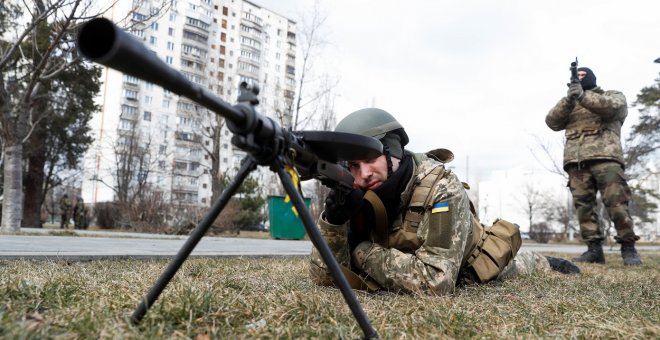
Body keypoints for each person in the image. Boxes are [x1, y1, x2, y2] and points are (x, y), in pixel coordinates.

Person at [309, 108, 580, 295]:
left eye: (370, 160)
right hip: (406, 255)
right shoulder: (354, 190)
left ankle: (547, 260)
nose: (364, 174)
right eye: (354, 165)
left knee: (518, 263)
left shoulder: (441, 187)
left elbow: (436, 283)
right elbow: (324, 277)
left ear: (392, 150)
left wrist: (361, 251)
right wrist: (333, 223)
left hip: (469, 260)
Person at [546, 66, 641, 266]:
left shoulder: (612, 95)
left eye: (583, 75)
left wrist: (583, 96)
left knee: (617, 205)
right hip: (576, 162)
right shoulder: (570, 104)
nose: (579, 78)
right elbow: (552, 121)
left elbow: (613, 107)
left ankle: (628, 247)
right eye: (577, 76)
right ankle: (594, 250)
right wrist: (569, 99)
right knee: (584, 208)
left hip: (606, 158)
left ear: (592, 79)